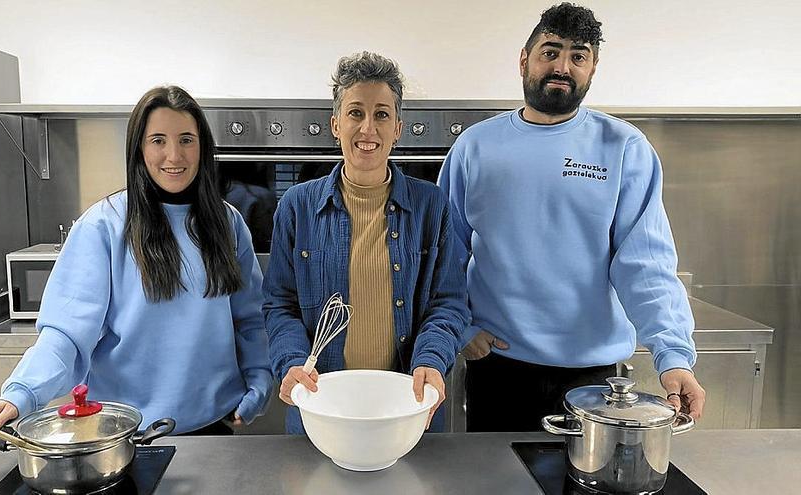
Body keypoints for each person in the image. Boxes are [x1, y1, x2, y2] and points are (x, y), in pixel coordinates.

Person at [438, 3, 706, 432]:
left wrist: (673, 356)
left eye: (578, 55)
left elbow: (646, 266)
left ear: (593, 68)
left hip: (596, 377)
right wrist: (462, 326)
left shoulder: (624, 148)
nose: (562, 66)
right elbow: (444, 253)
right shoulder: (475, 147)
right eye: (550, 51)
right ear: (524, 59)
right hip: (498, 366)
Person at [0, 86, 272, 439]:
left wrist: (259, 376)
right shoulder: (103, 226)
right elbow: (66, 336)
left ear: (202, 147)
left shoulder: (228, 223)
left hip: (215, 427)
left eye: (186, 139)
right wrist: (22, 392)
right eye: (158, 140)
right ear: (139, 149)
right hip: (124, 435)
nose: (174, 155)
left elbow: (250, 320)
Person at [264, 51, 469, 434]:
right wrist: (291, 359)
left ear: (398, 128)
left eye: (382, 114)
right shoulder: (297, 206)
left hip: (406, 405)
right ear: (336, 124)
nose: (368, 129)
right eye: (356, 113)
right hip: (323, 404)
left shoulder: (431, 206)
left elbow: (448, 303)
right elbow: (280, 304)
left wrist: (431, 358)